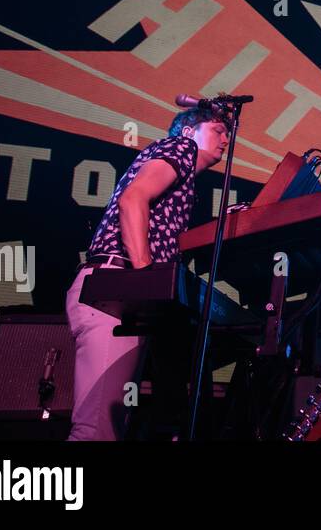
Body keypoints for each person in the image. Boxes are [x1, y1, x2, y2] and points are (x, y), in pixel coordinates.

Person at [65, 105, 230, 440]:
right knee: (96, 430)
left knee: (112, 427)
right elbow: (133, 200)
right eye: (218, 130)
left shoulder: (183, 179)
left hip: (118, 292)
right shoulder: (179, 148)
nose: (226, 139)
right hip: (116, 289)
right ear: (188, 131)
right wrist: (144, 281)